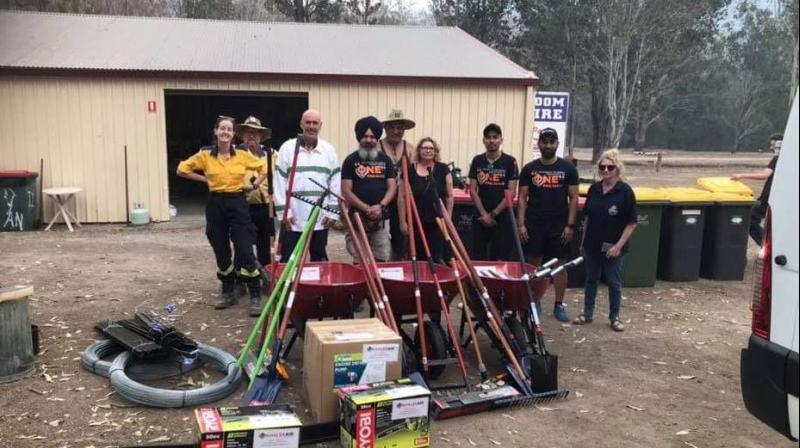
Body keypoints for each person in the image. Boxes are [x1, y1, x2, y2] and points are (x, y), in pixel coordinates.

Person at [176, 115, 268, 315]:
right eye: (222, 128)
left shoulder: (242, 155)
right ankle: (228, 291)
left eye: (229, 129)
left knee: (244, 248)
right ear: (216, 132)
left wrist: (253, 185)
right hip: (215, 204)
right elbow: (182, 170)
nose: (225, 132)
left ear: (233, 134)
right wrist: (205, 179)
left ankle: (254, 294)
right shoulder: (205, 155)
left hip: (238, 203)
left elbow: (263, 167)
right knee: (220, 248)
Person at [517, 127, 579, 322]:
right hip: (534, 225)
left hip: (559, 227)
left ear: (557, 145)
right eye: (544, 141)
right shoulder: (529, 169)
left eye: (552, 142)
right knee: (533, 265)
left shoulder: (568, 169)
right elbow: (522, 198)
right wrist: (521, 225)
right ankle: (533, 302)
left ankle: (559, 305)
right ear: (539, 144)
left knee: (559, 266)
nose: (548, 145)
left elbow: (574, 198)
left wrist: (570, 226)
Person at [573, 149, 637, 332]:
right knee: (591, 279)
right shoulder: (594, 189)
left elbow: (632, 223)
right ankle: (587, 313)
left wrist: (618, 246)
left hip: (614, 248)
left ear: (618, 169)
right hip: (593, 244)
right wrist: (583, 243)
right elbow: (588, 219)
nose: (606, 170)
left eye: (611, 167)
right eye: (603, 167)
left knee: (613, 282)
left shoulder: (625, 192)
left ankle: (615, 317)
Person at [274, 109, 340, 262]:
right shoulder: (288, 148)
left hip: (319, 219)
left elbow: (335, 183)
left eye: (315, 123)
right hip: (293, 219)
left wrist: (333, 212)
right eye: (308, 122)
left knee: (319, 260)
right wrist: (284, 212)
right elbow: (279, 182)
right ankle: (290, 286)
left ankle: (316, 287)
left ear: (320, 126)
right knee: (289, 261)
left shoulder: (328, 151)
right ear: (301, 124)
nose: (311, 126)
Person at [342, 116, 397, 262]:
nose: (369, 140)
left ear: (377, 138)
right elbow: (346, 191)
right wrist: (366, 208)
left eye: (373, 137)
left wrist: (380, 206)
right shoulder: (350, 161)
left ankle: (379, 285)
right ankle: (361, 285)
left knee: (381, 257)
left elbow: (392, 187)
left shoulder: (386, 160)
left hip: (381, 219)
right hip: (357, 218)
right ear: (359, 137)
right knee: (359, 258)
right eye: (365, 136)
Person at [467, 123, 519, 260]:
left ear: (501, 140)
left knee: (501, 258)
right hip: (480, 216)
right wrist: (484, 215)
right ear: (483, 140)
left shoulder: (510, 162)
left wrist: (493, 214)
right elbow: (472, 190)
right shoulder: (477, 160)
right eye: (488, 137)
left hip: (502, 217)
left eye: (495, 137)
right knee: (478, 257)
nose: (491, 140)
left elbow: (512, 192)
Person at [397, 137, 453, 263]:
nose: (428, 151)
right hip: (416, 220)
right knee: (418, 254)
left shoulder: (443, 169)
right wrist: (402, 221)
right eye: (424, 148)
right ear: (419, 151)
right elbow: (401, 197)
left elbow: (449, 196)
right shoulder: (410, 170)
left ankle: (437, 280)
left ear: (435, 151)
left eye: (430, 148)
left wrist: (448, 219)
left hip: (438, 221)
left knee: (437, 256)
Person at [731, 133, 782, 246]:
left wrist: (741, 176)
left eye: (773, 145)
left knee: (751, 220)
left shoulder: (777, 159)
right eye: (771, 145)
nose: (771, 148)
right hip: (777, 197)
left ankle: (768, 247)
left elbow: (764, 175)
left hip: (768, 197)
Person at [236, 116, 273, 269]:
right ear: (243, 135)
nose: (251, 135)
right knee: (242, 245)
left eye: (255, 133)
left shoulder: (271, 154)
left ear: (260, 136)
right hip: (242, 205)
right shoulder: (234, 154)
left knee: (265, 245)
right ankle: (241, 279)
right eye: (248, 132)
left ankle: (265, 277)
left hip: (265, 207)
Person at [380, 110, 416, 260]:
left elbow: (416, 175)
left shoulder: (410, 149)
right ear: (386, 128)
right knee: (379, 240)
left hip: (403, 201)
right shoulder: (376, 147)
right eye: (392, 127)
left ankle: (399, 265)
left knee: (402, 239)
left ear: (403, 130)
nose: (396, 131)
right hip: (382, 199)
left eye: (399, 128)